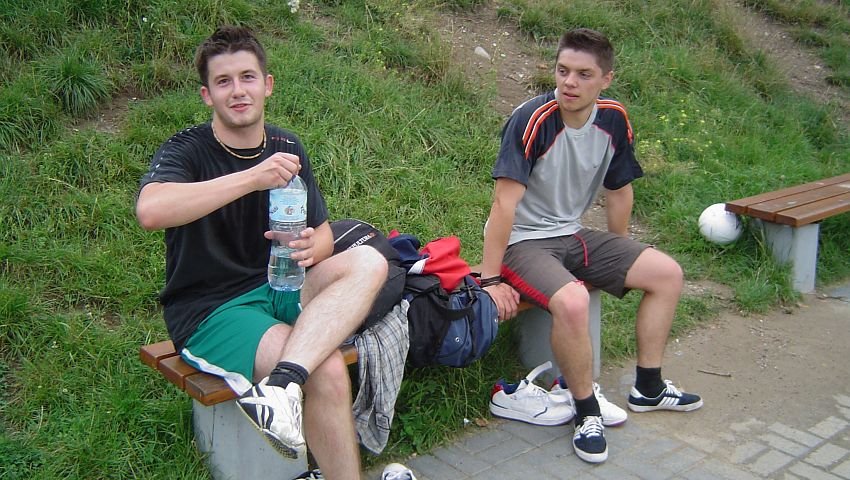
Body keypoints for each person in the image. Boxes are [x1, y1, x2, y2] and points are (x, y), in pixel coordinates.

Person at [136, 25, 389, 479]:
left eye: (247, 77)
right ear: (207, 95)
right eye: (224, 81)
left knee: (370, 260)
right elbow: (151, 211)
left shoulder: (287, 146)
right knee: (328, 369)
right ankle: (294, 393)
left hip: (279, 284)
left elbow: (323, 233)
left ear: (267, 85)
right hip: (212, 310)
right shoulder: (187, 149)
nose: (238, 90)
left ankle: (282, 384)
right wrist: (252, 178)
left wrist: (313, 245)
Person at [478, 28, 702, 464]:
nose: (569, 83)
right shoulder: (533, 119)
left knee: (667, 274)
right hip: (524, 242)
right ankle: (585, 411)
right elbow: (503, 205)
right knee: (574, 300)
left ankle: (648, 387)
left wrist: (620, 256)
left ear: (606, 79)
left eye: (583, 74)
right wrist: (489, 280)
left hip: (574, 233)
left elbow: (619, 191)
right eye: (563, 71)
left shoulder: (613, 119)